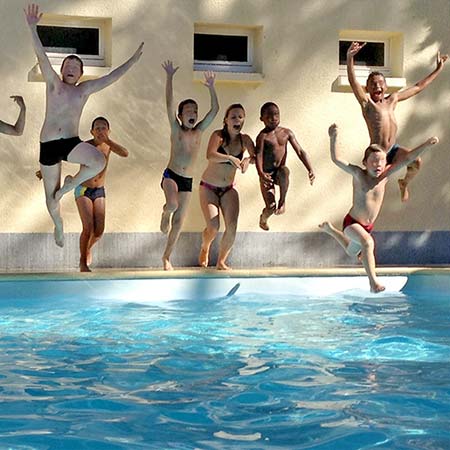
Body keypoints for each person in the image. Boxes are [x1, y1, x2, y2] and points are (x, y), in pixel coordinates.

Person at [24, 3, 143, 247]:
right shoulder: (54, 84)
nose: (70, 69)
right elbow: (41, 56)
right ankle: (58, 224)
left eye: (75, 68)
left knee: (98, 161)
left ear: (80, 75)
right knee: (50, 200)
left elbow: (111, 77)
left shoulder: (84, 90)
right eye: (66, 66)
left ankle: (71, 185)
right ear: (61, 70)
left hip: (69, 142)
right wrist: (32, 28)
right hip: (48, 144)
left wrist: (131, 62)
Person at [319, 124, 438, 293]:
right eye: (373, 161)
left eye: (381, 161)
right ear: (365, 163)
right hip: (351, 223)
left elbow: (408, 158)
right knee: (367, 242)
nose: (378, 165)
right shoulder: (358, 174)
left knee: (353, 252)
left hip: (367, 226)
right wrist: (333, 137)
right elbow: (337, 159)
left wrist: (426, 144)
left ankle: (331, 230)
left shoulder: (385, 175)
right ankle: (373, 283)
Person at [347, 41, 447, 202]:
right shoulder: (367, 104)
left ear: (386, 87)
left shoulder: (392, 99)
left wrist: (437, 69)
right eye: (373, 85)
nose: (377, 86)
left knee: (416, 162)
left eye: (380, 83)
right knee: (376, 186)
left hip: (393, 148)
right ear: (367, 88)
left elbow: (417, 87)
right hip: (377, 152)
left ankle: (404, 183)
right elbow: (353, 83)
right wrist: (350, 57)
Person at [160, 60, 219, 271]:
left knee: (179, 224)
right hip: (171, 176)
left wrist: (211, 88)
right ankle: (165, 212)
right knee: (173, 206)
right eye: (188, 111)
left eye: (195, 111)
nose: (192, 113)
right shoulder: (177, 130)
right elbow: (168, 104)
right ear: (180, 115)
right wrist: (169, 77)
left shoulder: (199, 131)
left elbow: (215, 109)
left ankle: (166, 257)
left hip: (187, 181)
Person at [198, 104, 255, 270]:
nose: (237, 120)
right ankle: (205, 247)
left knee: (232, 226)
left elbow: (255, 155)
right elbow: (210, 155)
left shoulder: (245, 139)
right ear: (226, 120)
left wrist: (247, 160)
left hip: (228, 188)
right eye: (233, 117)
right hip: (209, 187)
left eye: (240, 117)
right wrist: (230, 158)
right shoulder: (218, 136)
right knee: (213, 227)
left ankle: (221, 261)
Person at [74, 117, 128, 272]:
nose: (100, 131)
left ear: (108, 131)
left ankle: (88, 249)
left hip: (99, 191)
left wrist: (109, 142)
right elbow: (65, 155)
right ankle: (83, 262)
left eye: (103, 128)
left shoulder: (108, 146)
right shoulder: (85, 146)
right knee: (88, 226)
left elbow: (125, 153)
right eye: (97, 128)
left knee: (99, 230)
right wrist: (45, 170)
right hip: (83, 189)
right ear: (92, 132)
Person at [256, 102, 315, 231]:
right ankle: (263, 219)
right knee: (271, 207)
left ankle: (282, 201)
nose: (273, 118)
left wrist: (309, 168)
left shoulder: (286, 133)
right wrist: (261, 173)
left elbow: (300, 151)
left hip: (278, 172)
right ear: (262, 119)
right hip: (267, 174)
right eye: (269, 116)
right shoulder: (262, 136)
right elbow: (259, 155)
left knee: (284, 171)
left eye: (276, 114)